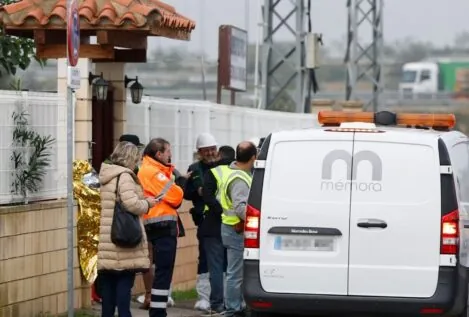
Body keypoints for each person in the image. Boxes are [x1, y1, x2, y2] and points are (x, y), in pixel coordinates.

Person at [97, 141, 158, 317]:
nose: (138, 162)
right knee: (124, 290)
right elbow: (131, 204)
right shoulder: (124, 176)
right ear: (131, 158)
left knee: (108, 292)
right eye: (137, 159)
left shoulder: (106, 174)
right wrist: (147, 204)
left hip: (108, 239)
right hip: (123, 242)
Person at [138, 138, 187, 317]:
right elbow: (176, 195)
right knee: (163, 271)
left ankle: (158, 309)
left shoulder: (151, 169)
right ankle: (158, 312)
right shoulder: (152, 171)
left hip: (158, 224)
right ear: (158, 153)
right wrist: (178, 187)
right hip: (162, 225)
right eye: (167, 152)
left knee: (162, 270)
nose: (170, 155)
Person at [220, 141, 257, 317]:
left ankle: (237, 306)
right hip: (235, 230)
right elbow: (241, 208)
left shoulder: (238, 173)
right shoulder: (239, 178)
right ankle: (233, 309)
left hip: (232, 229)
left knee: (236, 271)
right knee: (235, 273)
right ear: (253, 158)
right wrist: (258, 218)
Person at [184, 133, 219, 311]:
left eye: (213, 149)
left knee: (224, 259)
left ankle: (220, 296)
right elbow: (187, 194)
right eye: (206, 150)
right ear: (199, 152)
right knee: (204, 257)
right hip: (204, 220)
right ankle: (204, 296)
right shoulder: (194, 169)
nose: (210, 153)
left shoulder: (223, 166)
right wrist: (193, 188)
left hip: (223, 219)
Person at [201, 145, 236, 315]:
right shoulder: (241, 173)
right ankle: (233, 303)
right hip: (235, 225)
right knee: (232, 268)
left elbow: (206, 196)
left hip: (214, 225)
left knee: (215, 267)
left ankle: (216, 304)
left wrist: (219, 210)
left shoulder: (213, 172)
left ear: (220, 155)